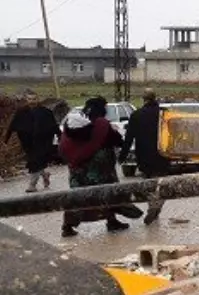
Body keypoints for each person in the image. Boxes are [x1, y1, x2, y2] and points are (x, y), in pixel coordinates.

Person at [60, 96, 142, 237]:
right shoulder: (101, 124)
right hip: (100, 169)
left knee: (78, 198)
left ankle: (67, 226)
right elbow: (116, 139)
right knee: (107, 193)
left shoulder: (74, 123)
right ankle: (112, 221)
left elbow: (64, 146)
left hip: (77, 170)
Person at [120, 88, 169, 224]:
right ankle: (156, 207)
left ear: (144, 99)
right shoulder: (164, 115)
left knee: (148, 185)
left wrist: (122, 156)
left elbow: (129, 138)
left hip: (144, 156)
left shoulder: (136, 115)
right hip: (162, 155)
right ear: (155, 98)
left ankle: (153, 208)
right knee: (162, 185)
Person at [4, 91, 59, 193]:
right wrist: (5, 141)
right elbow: (11, 127)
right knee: (36, 162)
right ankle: (44, 174)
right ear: (26, 100)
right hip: (28, 144)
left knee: (34, 163)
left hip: (43, 143)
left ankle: (32, 185)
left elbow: (54, 126)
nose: (32, 101)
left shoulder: (45, 112)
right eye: (30, 99)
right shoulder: (21, 113)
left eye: (34, 99)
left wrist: (60, 137)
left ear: (38, 99)